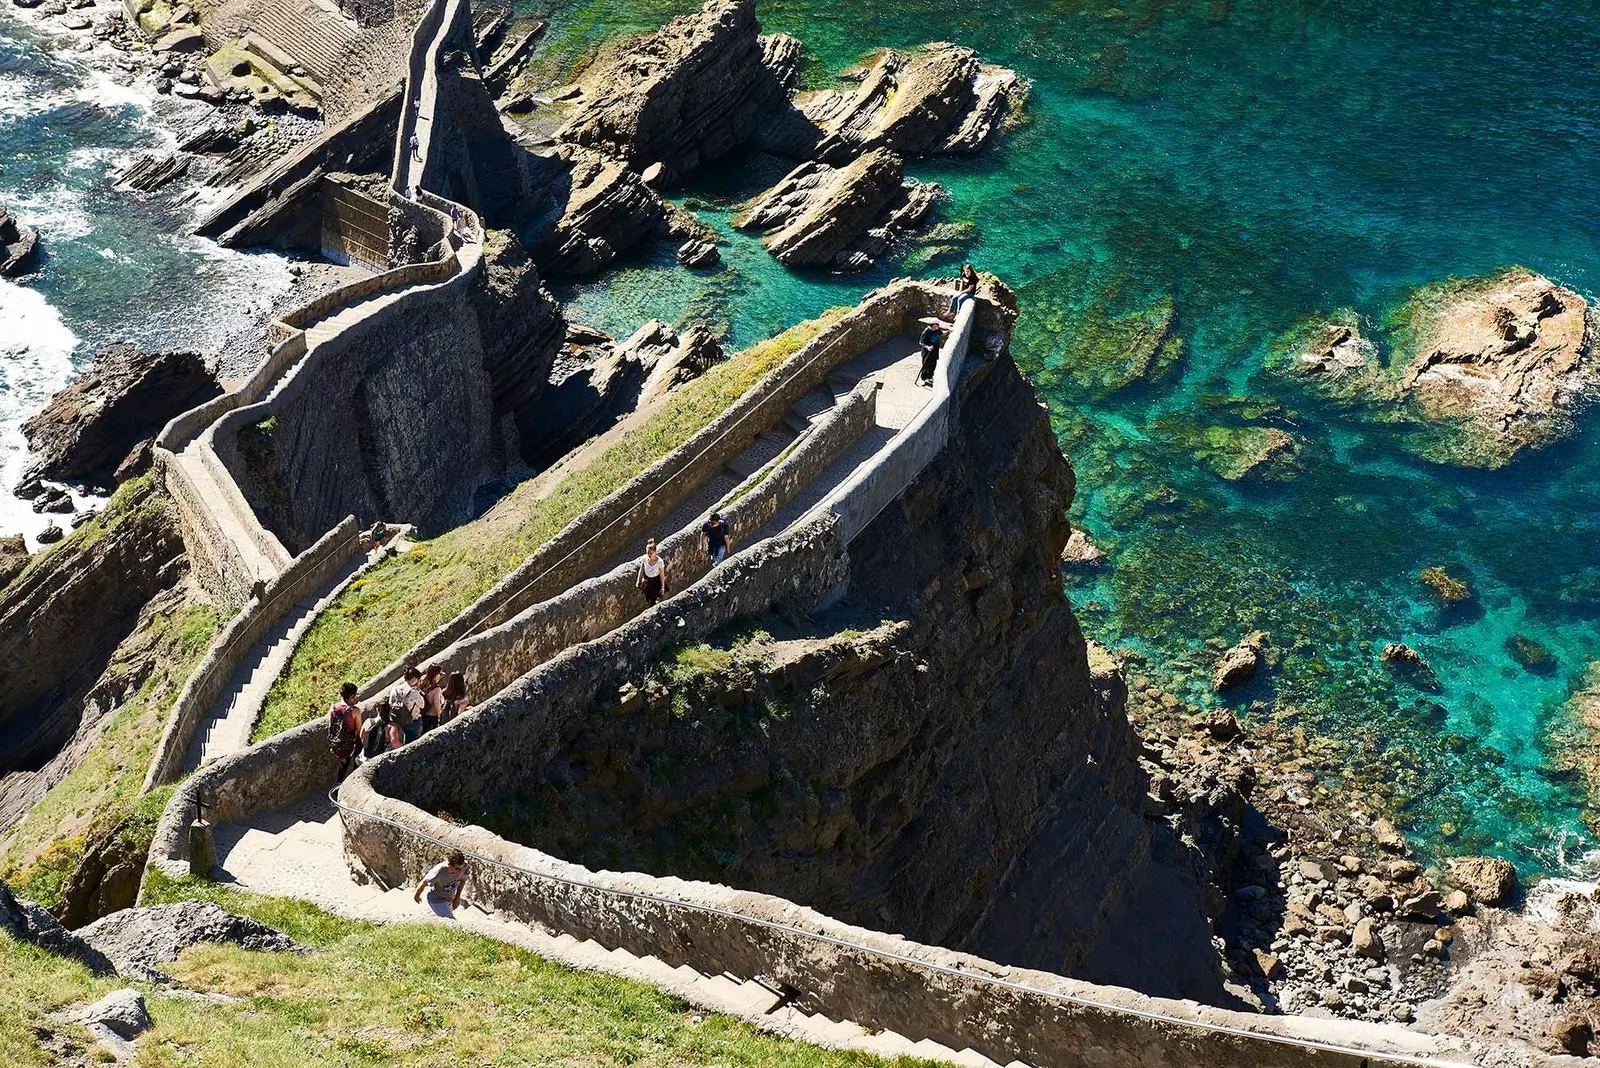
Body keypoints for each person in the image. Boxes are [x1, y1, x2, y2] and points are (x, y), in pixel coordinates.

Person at [414, 849, 467, 918]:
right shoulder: (438, 872)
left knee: (447, 917)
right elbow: (423, 883)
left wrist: (457, 897)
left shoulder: (464, 866)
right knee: (450, 921)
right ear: (449, 865)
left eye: (461, 868)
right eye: (456, 868)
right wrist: (417, 896)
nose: (459, 871)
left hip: (449, 899)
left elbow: (462, 880)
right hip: (437, 900)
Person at [328, 682, 362, 780]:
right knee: (353, 761)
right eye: (355, 695)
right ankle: (355, 780)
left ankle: (339, 782)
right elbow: (359, 729)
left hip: (337, 742)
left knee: (344, 762)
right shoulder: (355, 711)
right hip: (350, 741)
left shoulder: (333, 708)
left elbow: (331, 725)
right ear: (351, 696)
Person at [385, 667, 426, 744]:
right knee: (413, 741)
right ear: (414, 678)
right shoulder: (413, 692)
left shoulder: (395, 689)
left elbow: (391, 702)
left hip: (397, 719)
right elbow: (422, 705)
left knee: (401, 739)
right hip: (412, 720)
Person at [636, 538, 667, 606]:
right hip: (648, 580)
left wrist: (662, 588)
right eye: (647, 553)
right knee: (648, 596)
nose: (649, 555)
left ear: (655, 552)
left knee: (654, 598)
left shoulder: (660, 562)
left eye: (651, 553)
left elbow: (662, 575)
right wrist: (638, 580)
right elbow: (642, 569)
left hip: (656, 581)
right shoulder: (644, 558)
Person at [917, 319, 946, 386]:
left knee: (933, 366)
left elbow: (941, 333)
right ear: (932, 325)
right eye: (935, 326)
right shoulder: (926, 332)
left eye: (937, 326)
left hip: (934, 352)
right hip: (927, 353)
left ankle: (930, 377)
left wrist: (948, 332)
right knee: (925, 366)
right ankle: (923, 379)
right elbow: (921, 342)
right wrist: (927, 347)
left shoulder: (937, 330)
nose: (936, 328)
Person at [418, 664, 445, 735]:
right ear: (436, 675)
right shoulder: (436, 689)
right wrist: (439, 715)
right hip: (432, 715)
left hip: (423, 712)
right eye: (440, 674)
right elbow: (436, 704)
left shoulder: (422, 680)